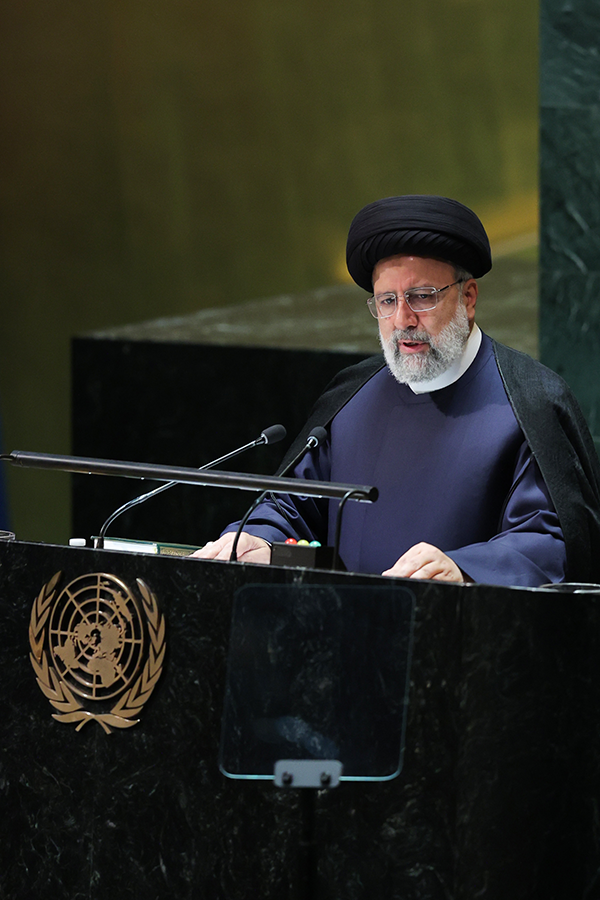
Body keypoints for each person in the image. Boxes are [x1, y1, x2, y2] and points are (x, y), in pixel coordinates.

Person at [196, 195, 600, 587]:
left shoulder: (530, 403)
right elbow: (292, 506)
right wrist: (256, 538)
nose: (403, 319)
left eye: (422, 296)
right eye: (387, 300)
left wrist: (464, 568)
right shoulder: (351, 397)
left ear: (469, 297)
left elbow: (550, 542)